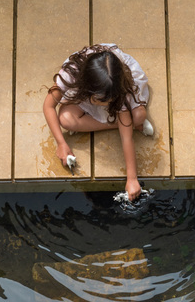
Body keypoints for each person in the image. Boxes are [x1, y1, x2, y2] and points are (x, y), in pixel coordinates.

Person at [42, 43, 154, 201]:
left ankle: (130, 123)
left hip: (115, 78)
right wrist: (61, 143)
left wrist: (132, 179)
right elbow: (48, 106)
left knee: (139, 116)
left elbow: (126, 139)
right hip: (89, 87)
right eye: (103, 100)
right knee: (66, 120)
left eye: (111, 99)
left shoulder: (117, 87)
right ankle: (122, 124)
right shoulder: (71, 74)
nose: (108, 103)